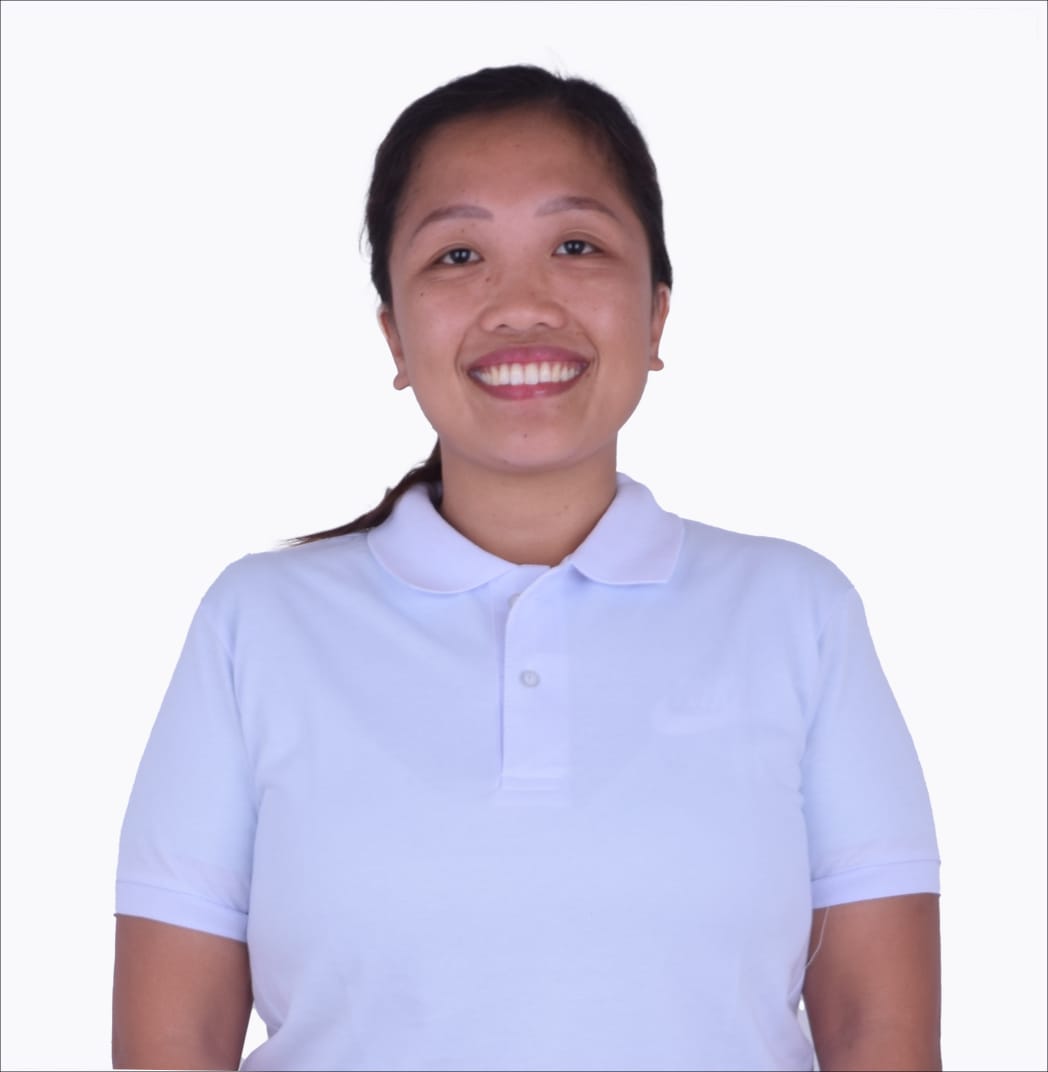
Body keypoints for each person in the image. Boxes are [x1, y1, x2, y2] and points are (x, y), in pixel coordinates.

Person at [112, 65, 941, 1072]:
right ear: (395, 336)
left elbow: (879, 1035)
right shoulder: (257, 625)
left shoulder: (798, 615)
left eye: (576, 245)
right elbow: (171, 1044)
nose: (521, 304)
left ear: (657, 314)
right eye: (458, 255)